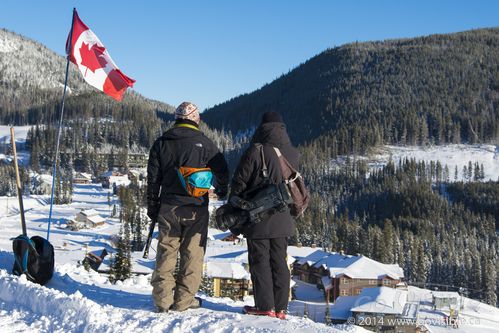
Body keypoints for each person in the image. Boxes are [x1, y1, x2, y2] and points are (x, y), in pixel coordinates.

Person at [147, 102, 229, 312]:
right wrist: (221, 190)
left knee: (166, 252)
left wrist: (152, 205)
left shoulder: (161, 142)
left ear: (176, 119)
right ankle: (184, 301)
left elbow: (153, 178)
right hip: (196, 207)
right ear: (196, 119)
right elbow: (222, 170)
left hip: (168, 206)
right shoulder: (204, 142)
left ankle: (163, 301)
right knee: (193, 254)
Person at [230, 111, 299, 320]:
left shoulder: (256, 151)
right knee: (280, 261)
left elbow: (239, 183)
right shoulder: (293, 153)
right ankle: (281, 309)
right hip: (283, 216)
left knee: (260, 261)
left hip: (258, 216)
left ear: (262, 128)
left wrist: (235, 207)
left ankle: (265, 306)